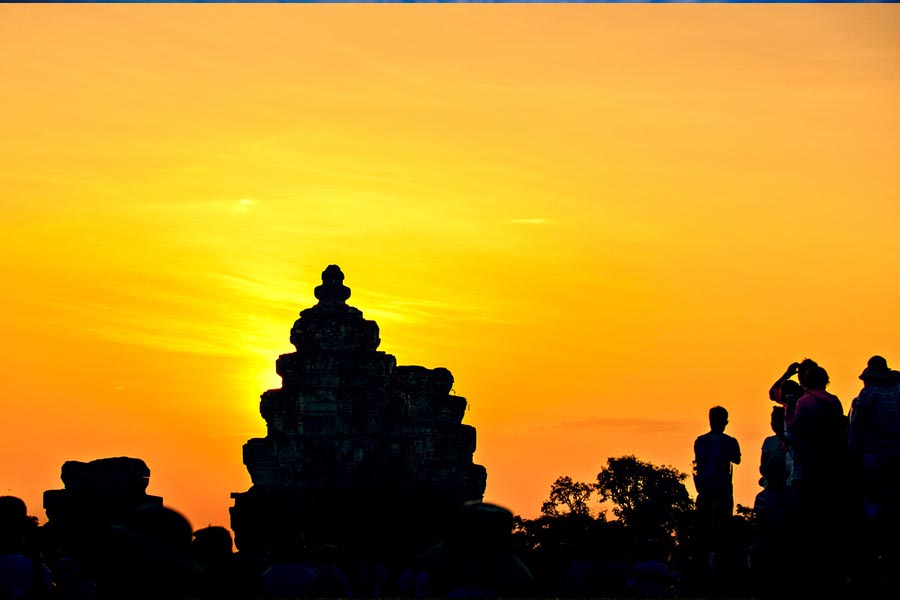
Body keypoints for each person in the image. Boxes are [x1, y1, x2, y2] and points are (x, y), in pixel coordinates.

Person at [693, 407, 741, 553]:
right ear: (725, 422)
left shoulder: (700, 441)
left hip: (705, 488)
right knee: (723, 527)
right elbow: (737, 459)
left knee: (704, 528)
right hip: (722, 489)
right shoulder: (730, 441)